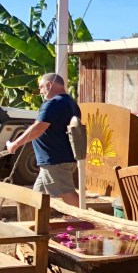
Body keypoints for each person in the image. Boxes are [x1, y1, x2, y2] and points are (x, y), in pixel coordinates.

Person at [4, 73, 82, 206]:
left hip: (55, 160)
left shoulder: (53, 103)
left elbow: (38, 128)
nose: (40, 91)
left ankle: (82, 217)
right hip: (56, 159)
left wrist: (15, 144)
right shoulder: (71, 103)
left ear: (49, 85)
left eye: (41, 87)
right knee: (36, 196)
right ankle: (34, 219)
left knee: (66, 192)